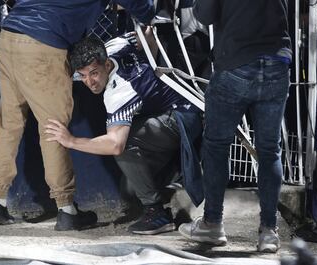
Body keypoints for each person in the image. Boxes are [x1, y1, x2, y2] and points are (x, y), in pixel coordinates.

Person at [0, 0, 155, 231]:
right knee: (53, 128)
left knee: (9, 123)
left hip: (9, 36)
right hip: (44, 43)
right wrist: (151, 16)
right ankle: (66, 209)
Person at [45, 28, 204, 235]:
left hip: (185, 117)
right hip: (179, 107)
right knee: (129, 189)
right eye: (82, 76)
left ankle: (156, 212)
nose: (89, 82)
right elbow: (147, 31)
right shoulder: (115, 45)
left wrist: (71, 141)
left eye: (94, 73)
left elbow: (115, 144)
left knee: (124, 144)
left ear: (106, 63)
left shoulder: (118, 91)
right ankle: (173, 178)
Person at [178, 0, 292, 253]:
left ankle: (213, 223)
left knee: (217, 145)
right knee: (270, 150)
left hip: (237, 63)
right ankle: (269, 232)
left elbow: (204, 15)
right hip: (277, 63)